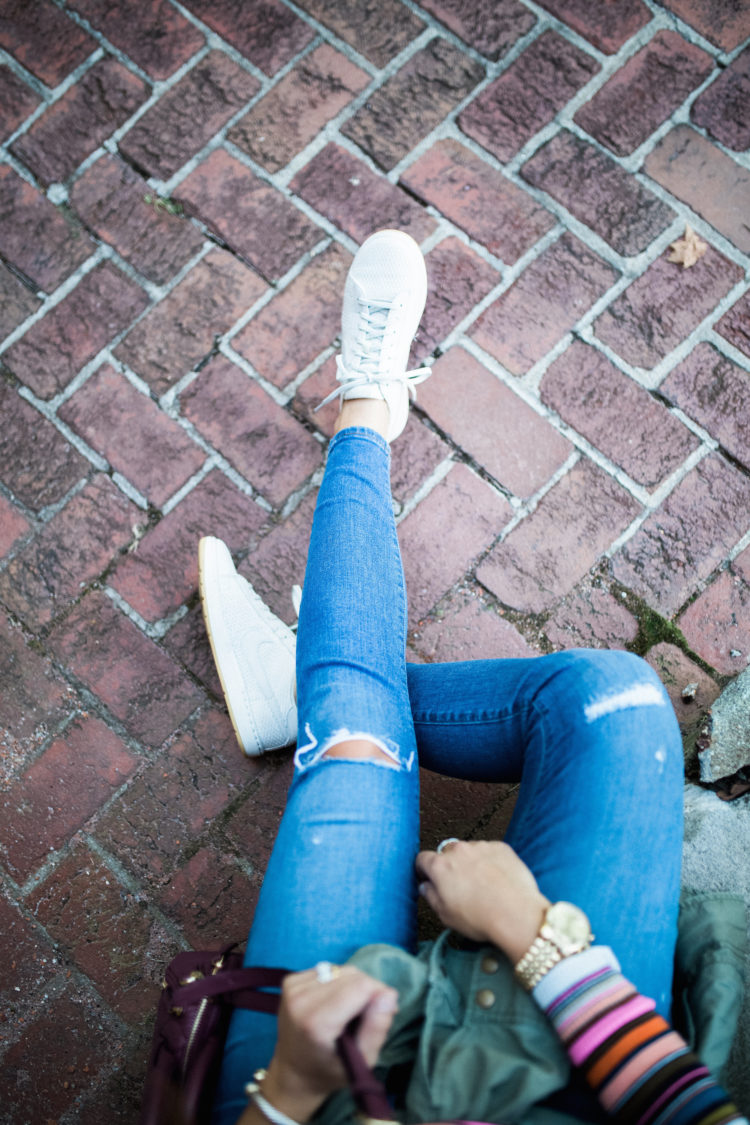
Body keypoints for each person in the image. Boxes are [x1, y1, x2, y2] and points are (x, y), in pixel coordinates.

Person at [198, 231, 747, 1125]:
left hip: (328, 1097)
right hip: (571, 1083)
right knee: (617, 703)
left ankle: (365, 408)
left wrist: (293, 1092)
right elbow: (682, 1110)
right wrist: (537, 938)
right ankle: (319, 670)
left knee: (355, 744)